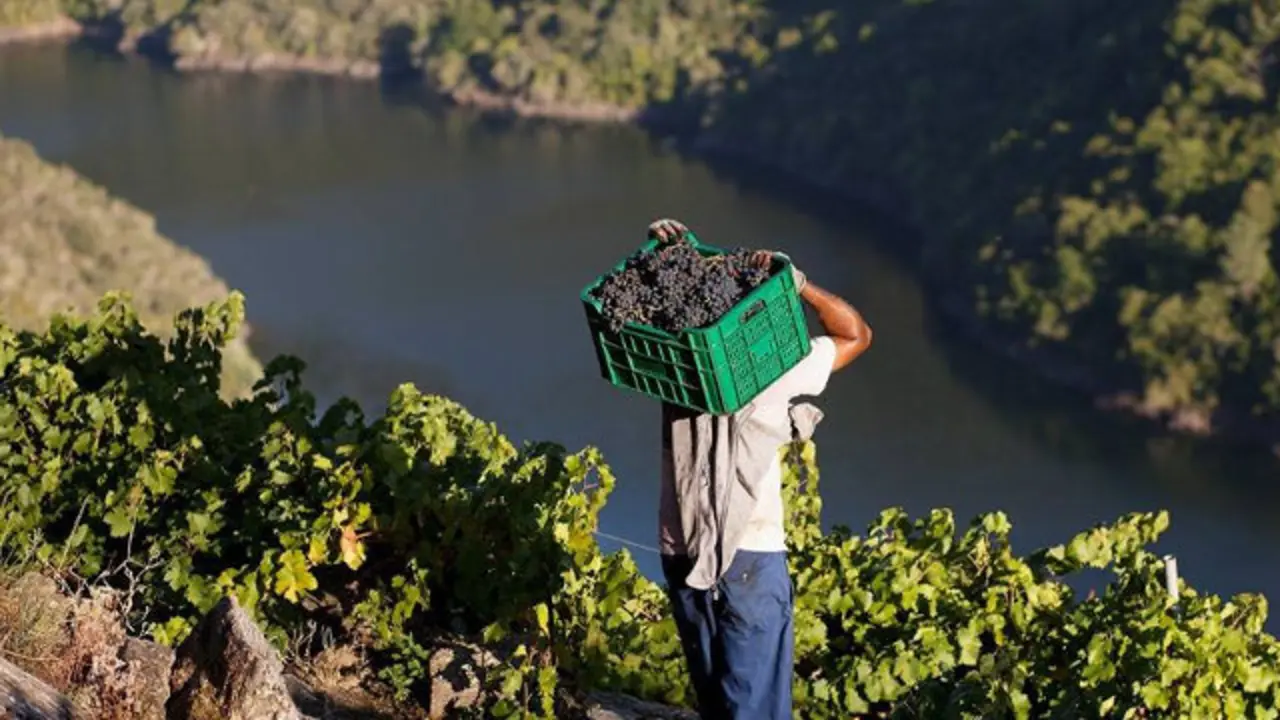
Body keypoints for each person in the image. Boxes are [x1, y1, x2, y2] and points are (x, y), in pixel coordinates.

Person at [647, 217, 873, 720]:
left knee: (715, 698)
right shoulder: (778, 367)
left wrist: (672, 252)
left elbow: (651, 301)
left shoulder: (675, 361)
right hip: (751, 551)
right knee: (757, 701)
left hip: (680, 547)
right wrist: (801, 284)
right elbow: (855, 334)